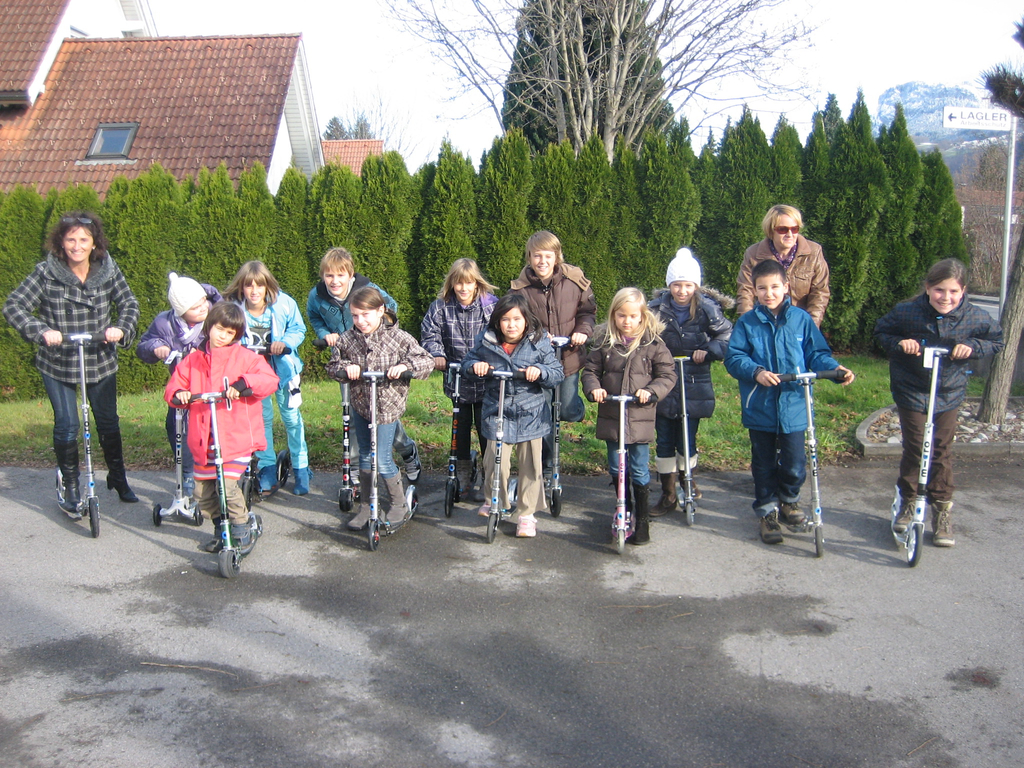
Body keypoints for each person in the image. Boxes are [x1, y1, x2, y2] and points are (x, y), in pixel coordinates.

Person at [4, 211, 140, 514]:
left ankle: (118, 478)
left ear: (94, 243)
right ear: (61, 243)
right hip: (59, 361)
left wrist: (120, 328)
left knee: (108, 422)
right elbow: (14, 306)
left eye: (83, 240)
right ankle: (71, 484)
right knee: (67, 425)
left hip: (99, 358)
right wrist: (41, 331)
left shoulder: (108, 270)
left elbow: (129, 303)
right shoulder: (45, 272)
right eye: (70, 240)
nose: (77, 246)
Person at [873, 258, 1003, 548]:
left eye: (953, 292)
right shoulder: (907, 312)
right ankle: (908, 501)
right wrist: (900, 344)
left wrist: (972, 346)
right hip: (912, 389)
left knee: (941, 450)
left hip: (948, 392)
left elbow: (996, 340)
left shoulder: (974, 316)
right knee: (917, 446)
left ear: (963, 291)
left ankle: (942, 509)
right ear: (928, 288)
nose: (946, 298)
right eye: (940, 290)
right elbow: (881, 332)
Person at [725, 260, 854, 545]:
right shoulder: (747, 323)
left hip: (795, 404)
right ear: (754, 291)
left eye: (774, 287)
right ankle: (767, 511)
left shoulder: (800, 319)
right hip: (760, 406)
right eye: (762, 288)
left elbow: (816, 353)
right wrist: (756, 372)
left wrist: (835, 370)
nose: (769, 293)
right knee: (764, 463)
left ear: (786, 287)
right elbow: (734, 358)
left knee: (795, 462)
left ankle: (789, 500)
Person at [164, 302, 278, 550]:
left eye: (230, 333)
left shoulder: (245, 358)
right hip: (204, 440)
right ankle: (221, 529)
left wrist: (243, 384)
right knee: (203, 494)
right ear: (209, 326)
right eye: (219, 329)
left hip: (236, 439)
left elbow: (269, 380)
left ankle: (241, 526)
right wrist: (180, 393)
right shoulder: (193, 360)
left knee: (226, 487)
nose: (223, 336)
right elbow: (174, 386)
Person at [306, 247, 423, 483]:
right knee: (353, 414)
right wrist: (325, 333)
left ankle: (407, 450)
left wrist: (377, 333)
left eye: (340, 275)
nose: (335, 281)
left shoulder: (367, 289)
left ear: (350, 275)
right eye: (329, 275)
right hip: (348, 362)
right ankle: (356, 466)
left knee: (382, 416)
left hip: (377, 360)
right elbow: (315, 317)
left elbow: (390, 307)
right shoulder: (316, 296)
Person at [325, 286, 434, 530]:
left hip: (387, 407)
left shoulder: (398, 338)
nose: (360, 321)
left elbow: (426, 361)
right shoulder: (347, 339)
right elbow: (333, 365)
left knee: (382, 458)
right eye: (355, 315)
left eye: (365, 314)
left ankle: (398, 504)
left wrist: (405, 366)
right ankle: (367, 506)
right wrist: (345, 368)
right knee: (365, 455)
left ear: (380, 311)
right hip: (361, 404)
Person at [462, 294, 564, 538]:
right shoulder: (487, 341)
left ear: (526, 320)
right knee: (495, 460)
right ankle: (496, 500)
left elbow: (556, 372)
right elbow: (467, 363)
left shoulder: (538, 342)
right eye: (506, 320)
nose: (511, 325)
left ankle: (527, 514)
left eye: (517, 319)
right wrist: (475, 367)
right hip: (497, 410)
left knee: (531, 466)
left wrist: (539, 371)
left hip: (530, 412)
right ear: (498, 322)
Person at [582, 288, 676, 545]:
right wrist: (595, 388)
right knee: (616, 465)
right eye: (622, 315)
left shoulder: (653, 344)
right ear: (614, 315)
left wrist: (651, 391)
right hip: (613, 416)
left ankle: (642, 518)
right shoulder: (605, 343)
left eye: (633, 316)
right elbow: (590, 371)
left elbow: (667, 375)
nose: (627, 321)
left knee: (639, 467)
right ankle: (624, 508)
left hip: (639, 418)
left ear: (643, 316)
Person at [649, 248, 733, 513]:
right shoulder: (656, 309)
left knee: (687, 437)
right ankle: (668, 493)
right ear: (669, 285)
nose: (682, 291)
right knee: (664, 437)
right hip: (663, 379)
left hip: (694, 380)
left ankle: (688, 480)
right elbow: (644, 336)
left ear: (696, 285)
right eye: (676, 285)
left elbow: (727, 336)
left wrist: (709, 351)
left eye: (687, 285)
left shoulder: (707, 309)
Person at [509, 231, 596, 477]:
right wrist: (536, 334)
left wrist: (582, 331)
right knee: (545, 413)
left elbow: (588, 312)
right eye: (537, 256)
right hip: (539, 364)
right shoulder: (520, 289)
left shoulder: (574, 281)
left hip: (569, 358)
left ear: (557, 256)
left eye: (548, 256)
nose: (542, 261)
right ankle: (548, 466)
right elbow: (515, 320)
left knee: (565, 410)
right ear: (529, 257)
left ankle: (576, 408)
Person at [224, 261, 312, 495]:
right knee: (262, 419)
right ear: (241, 287)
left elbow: (298, 329)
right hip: (254, 375)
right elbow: (227, 333)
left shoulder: (284, 304)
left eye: (259, 286)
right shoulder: (235, 309)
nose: (254, 291)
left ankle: (301, 467)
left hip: (283, 370)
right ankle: (267, 467)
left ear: (267, 286)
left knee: (291, 418)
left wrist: (285, 343)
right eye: (249, 286)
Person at [136, 272, 222, 498]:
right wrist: (156, 347)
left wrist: (206, 353)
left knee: (214, 429)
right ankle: (187, 473)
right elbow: (143, 345)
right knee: (177, 428)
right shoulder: (164, 323)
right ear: (180, 310)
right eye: (195, 307)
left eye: (203, 302)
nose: (203, 308)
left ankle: (217, 472)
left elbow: (232, 340)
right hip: (183, 387)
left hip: (211, 385)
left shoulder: (217, 316)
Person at [420, 258, 498, 502]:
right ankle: (462, 472)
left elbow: (500, 335)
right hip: (457, 380)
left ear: (477, 283)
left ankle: (489, 474)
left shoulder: (490, 307)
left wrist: (490, 360)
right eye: (459, 283)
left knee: (486, 429)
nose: (464, 288)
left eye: (469, 283)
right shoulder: (440, 307)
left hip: (486, 381)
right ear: (451, 284)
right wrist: (437, 354)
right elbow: (430, 333)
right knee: (460, 428)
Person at [736, 204, 830, 327]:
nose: (790, 234)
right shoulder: (753, 254)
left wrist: (810, 327)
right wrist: (749, 326)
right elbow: (745, 291)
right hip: (765, 323)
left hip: (800, 324)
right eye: (782, 229)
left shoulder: (814, 252)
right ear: (771, 231)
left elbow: (820, 293)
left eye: (794, 229)